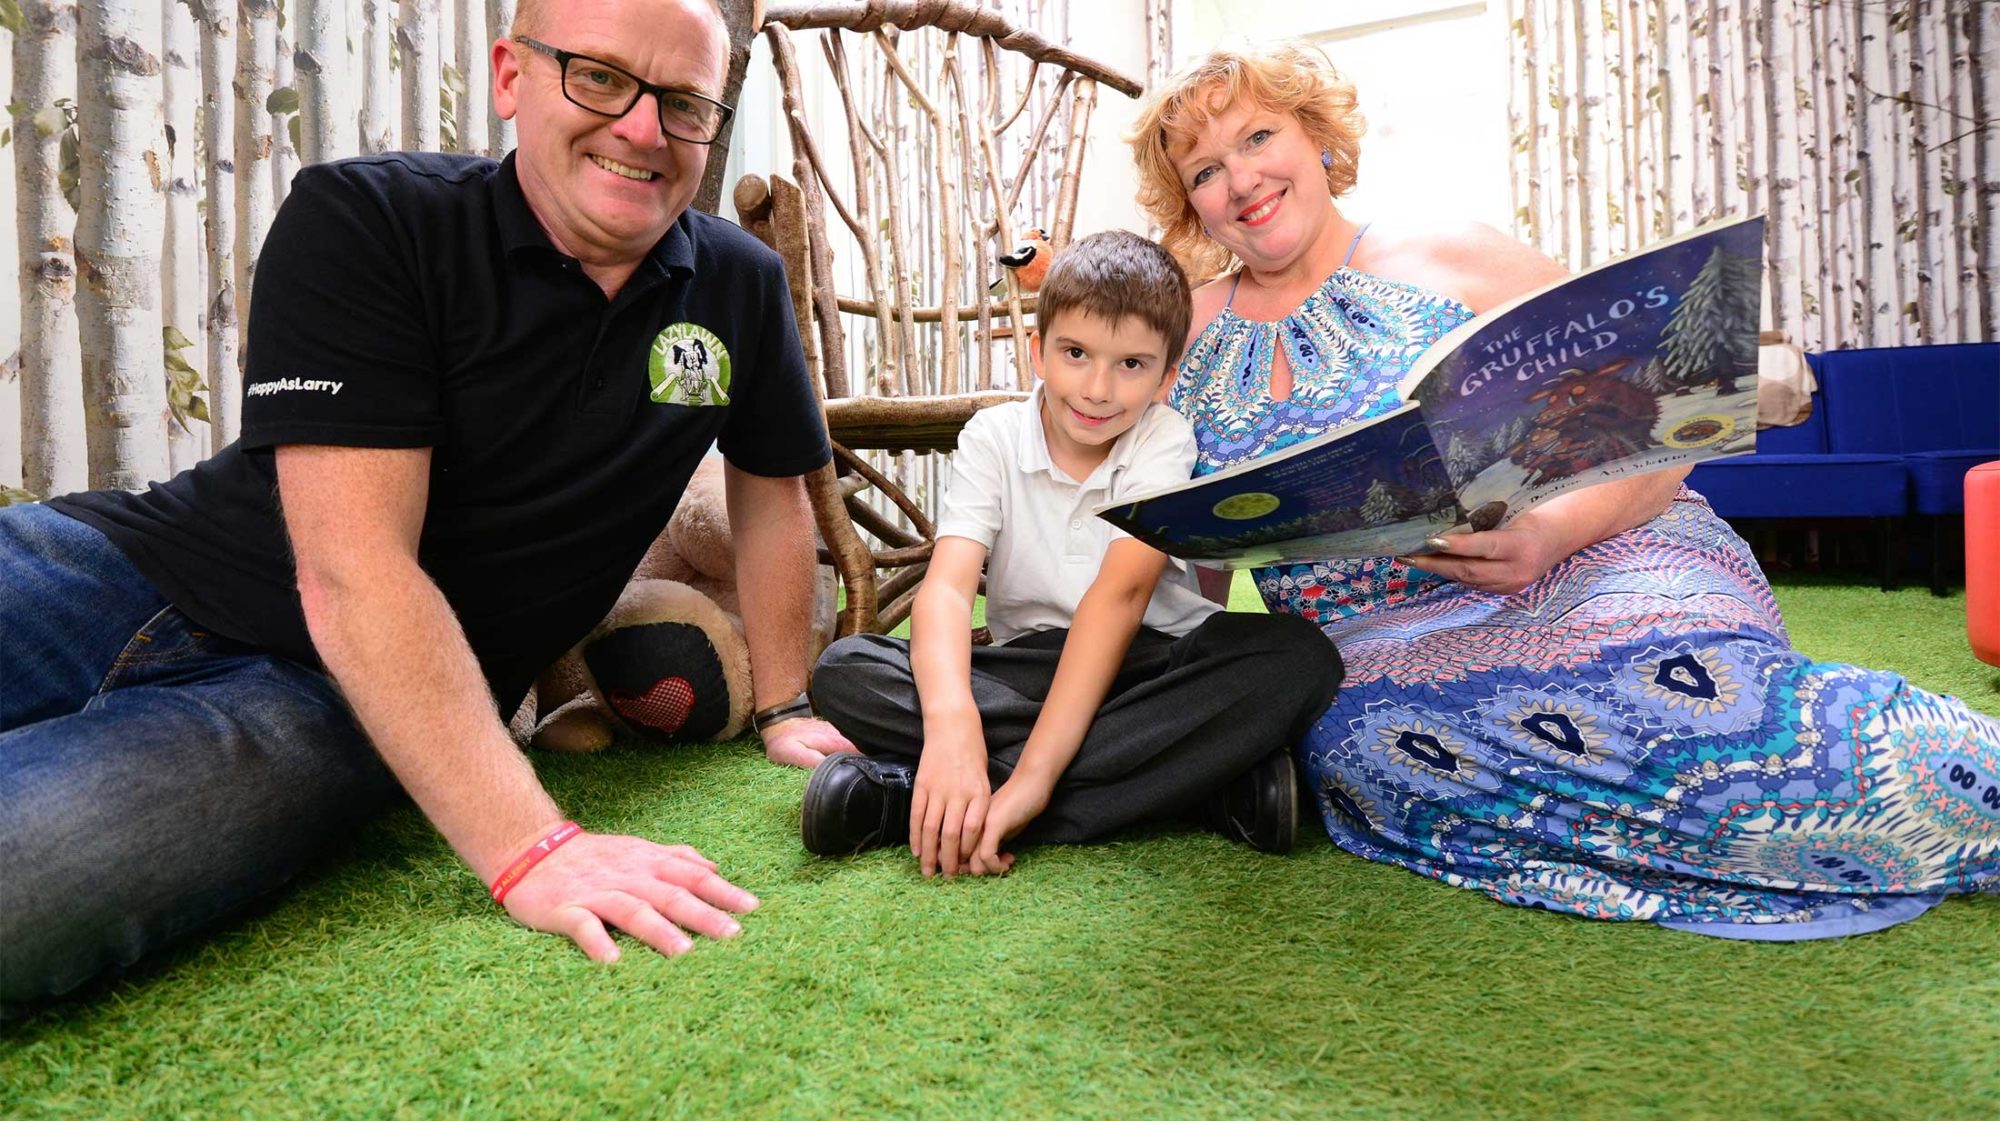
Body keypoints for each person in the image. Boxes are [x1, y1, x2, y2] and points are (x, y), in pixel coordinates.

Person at [0, 0, 856, 1009]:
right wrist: (531, 843)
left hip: (335, 700)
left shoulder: (739, 288)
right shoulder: (369, 216)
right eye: (597, 76)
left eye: (682, 102)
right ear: (511, 76)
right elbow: (351, 565)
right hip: (113, 570)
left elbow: (771, 497)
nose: (640, 128)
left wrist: (787, 702)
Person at [1128, 41, 2000, 938]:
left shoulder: (1450, 251)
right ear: (1189, 203)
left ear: (1314, 135)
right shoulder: (1184, 332)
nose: (1240, 179)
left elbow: (1673, 425)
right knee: (1372, 757)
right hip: (1377, 646)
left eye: (1258, 135)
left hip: (1602, 558)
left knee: (1704, 703)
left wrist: (1549, 533)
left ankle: (1933, 778)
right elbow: (1182, 545)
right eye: (1204, 169)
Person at [802, 231, 1344, 877]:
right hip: (1025, 668)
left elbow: (1119, 598)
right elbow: (947, 589)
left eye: (1132, 364)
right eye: (1076, 353)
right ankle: (1197, 787)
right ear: (1037, 350)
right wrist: (952, 731)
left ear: (1167, 376)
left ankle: (905, 799)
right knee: (846, 667)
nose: (1097, 388)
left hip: (1150, 663)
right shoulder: (994, 436)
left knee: (1295, 656)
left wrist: (1032, 777)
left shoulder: (1163, 438)